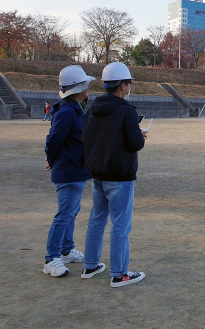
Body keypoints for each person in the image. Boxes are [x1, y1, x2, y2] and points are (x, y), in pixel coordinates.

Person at [82, 62, 148, 287]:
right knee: (120, 224)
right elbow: (136, 143)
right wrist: (140, 134)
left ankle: (90, 265)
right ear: (122, 85)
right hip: (120, 175)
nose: (129, 88)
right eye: (128, 84)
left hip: (98, 173)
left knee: (97, 219)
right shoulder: (126, 110)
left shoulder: (93, 108)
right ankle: (120, 274)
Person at [43, 66, 95, 277]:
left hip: (76, 169)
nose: (88, 90)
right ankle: (51, 258)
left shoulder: (75, 109)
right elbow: (53, 140)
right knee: (64, 214)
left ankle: (66, 249)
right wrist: (52, 160)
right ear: (79, 88)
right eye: (86, 86)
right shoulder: (67, 111)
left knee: (71, 212)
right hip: (68, 170)